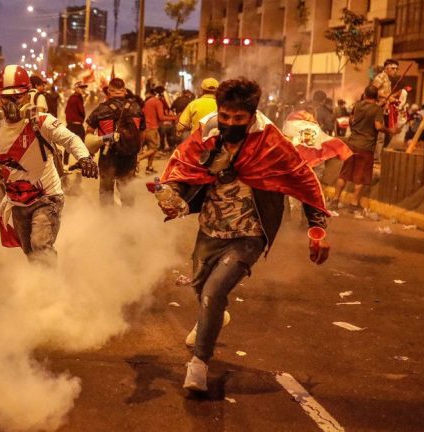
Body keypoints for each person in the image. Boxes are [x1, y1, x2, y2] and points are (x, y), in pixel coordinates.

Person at [157, 78, 330, 392]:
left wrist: (317, 228)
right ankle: (215, 315)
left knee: (212, 292)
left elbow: (303, 180)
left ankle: (198, 365)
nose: (230, 123)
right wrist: (172, 195)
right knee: (200, 288)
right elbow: (183, 167)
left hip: (250, 232)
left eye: (238, 119)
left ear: (251, 115)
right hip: (210, 227)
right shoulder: (208, 133)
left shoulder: (271, 142)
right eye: (225, 117)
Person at [0, 65, 98, 265]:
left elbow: (70, 139)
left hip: (47, 197)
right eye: (5, 98)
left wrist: (85, 158)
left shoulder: (42, 121)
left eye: (17, 97)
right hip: (17, 201)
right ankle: (36, 288)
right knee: (29, 251)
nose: (11, 103)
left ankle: (51, 292)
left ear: (28, 96)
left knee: (40, 246)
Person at [331, 85, 398, 213]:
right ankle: (354, 203)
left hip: (351, 144)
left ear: (365, 94)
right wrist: (390, 130)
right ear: (376, 96)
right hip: (366, 147)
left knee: (344, 174)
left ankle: (335, 200)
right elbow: (378, 126)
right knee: (360, 177)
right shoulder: (377, 109)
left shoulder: (357, 106)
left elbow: (352, 120)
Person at [85, 78, 144, 207]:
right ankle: (127, 221)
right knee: (127, 191)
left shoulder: (102, 109)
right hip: (130, 156)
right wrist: (136, 151)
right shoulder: (136, 107)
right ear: (124, 91)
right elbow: (141, 132)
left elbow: (89, 132)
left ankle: (108, 222)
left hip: (108, 155)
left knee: (106, 191)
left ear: (110, 91)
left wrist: (92, 149)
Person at [140, 86, 177, 174]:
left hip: (145, 127)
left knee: (151, 148)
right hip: (152, 128)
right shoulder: (158, 102)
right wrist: (174, 117)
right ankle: (138, 159)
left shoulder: (148, 101)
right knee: (155, 148)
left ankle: (149, 167)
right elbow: (161, 117)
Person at [372, 59, 401, 148]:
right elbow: (373, 91)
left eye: (396, 69)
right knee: (381, 136)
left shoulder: (388, 80)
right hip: (379, 108)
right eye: (393, 68)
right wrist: (388, 97)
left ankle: (379, 156)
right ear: (386, 68)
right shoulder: (380, 78)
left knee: (388, 135)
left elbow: (385, 94)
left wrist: (393, 98)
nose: (395, 71)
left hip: (386, 110)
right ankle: (376, 160)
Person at [64, 82, 87, 164]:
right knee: (72, 145)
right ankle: (66, 164)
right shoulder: (74, 99)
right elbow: (80, 111)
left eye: (84, 88)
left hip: (75, 125)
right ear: (76, 88)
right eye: (81, 88)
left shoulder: (78, 97)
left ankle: (69, 164)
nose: (83, 90)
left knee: (73, 145)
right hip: (74, 125)